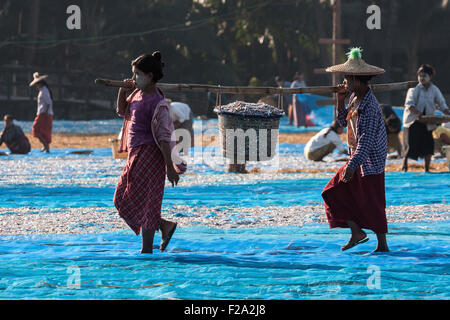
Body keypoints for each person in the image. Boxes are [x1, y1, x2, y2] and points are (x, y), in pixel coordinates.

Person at [113, 51, 187, 254]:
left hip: (150, 155)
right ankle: (164, 226)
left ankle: (147, 249)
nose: (133, 78)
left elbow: (164, 139)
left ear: (150, 76)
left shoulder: (157, 104)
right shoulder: (136, 94)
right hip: (135, 153)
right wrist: (122, 89)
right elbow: (122, 110)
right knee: (121, 197)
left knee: (148, 202)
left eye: (137, 74)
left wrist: (170, 167)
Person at [321, 47, 389, 252]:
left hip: (369, 160)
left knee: (373, 200)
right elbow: (342, 122)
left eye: (348, 80)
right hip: (356, 157)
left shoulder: (369, 105)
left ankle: (382, 245)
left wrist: (351, 166)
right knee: (333, 192)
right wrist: (340, 100)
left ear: (357, 80)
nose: (345, 83)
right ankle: (356, 232)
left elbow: (366, 141)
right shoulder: (353, 99)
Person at [402, 64, 450, 172]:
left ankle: (427, 169)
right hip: (413, 122)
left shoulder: (434, 90)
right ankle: (404, 166)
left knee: (428, 146)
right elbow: (410, 105)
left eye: (424, 76)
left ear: (430, 77)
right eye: (420, 75)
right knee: (410, 146)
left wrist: (447, 113)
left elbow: (442, 105)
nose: (422, 78)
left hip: (427, 123)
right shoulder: (413, 90)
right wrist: (419, 114)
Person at [29, 72, 53, 153]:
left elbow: (49, 102)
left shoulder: (44, 91)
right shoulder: (43, 90)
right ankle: (45, 147)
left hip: (44, 113)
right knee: (43, 131)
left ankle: (46, 146)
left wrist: (46, 113)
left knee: (36, 130)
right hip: (43, 113)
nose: (36, 86)